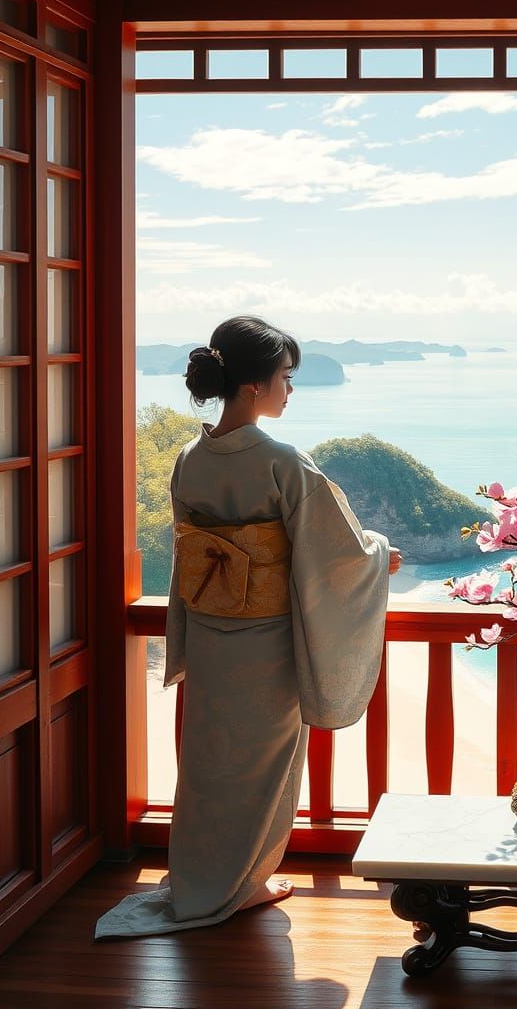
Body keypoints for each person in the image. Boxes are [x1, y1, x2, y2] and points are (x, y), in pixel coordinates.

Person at [96, 315, 401, 939]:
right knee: (263, 768)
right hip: (265, 643)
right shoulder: (283, 461)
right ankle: (242, 883)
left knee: (210, 767)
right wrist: (378, 555)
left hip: (212, 633)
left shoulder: (190, 457)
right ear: (257, 385)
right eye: (286, 378)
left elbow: (188, 552)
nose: (290, 390)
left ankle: (207, 877)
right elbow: (334, 552)